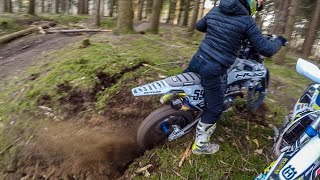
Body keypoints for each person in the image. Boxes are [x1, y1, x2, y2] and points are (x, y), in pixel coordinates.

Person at [184, 0, 288, 155]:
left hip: (198, 58)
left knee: (185, 80)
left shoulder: (217, 9)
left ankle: (170, 98)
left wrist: (218, 28)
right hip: (214, 68)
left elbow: (200, 26)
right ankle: (200, 146)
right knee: (215, 107)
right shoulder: (246, 21)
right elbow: (266, 49)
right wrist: (279, 41)